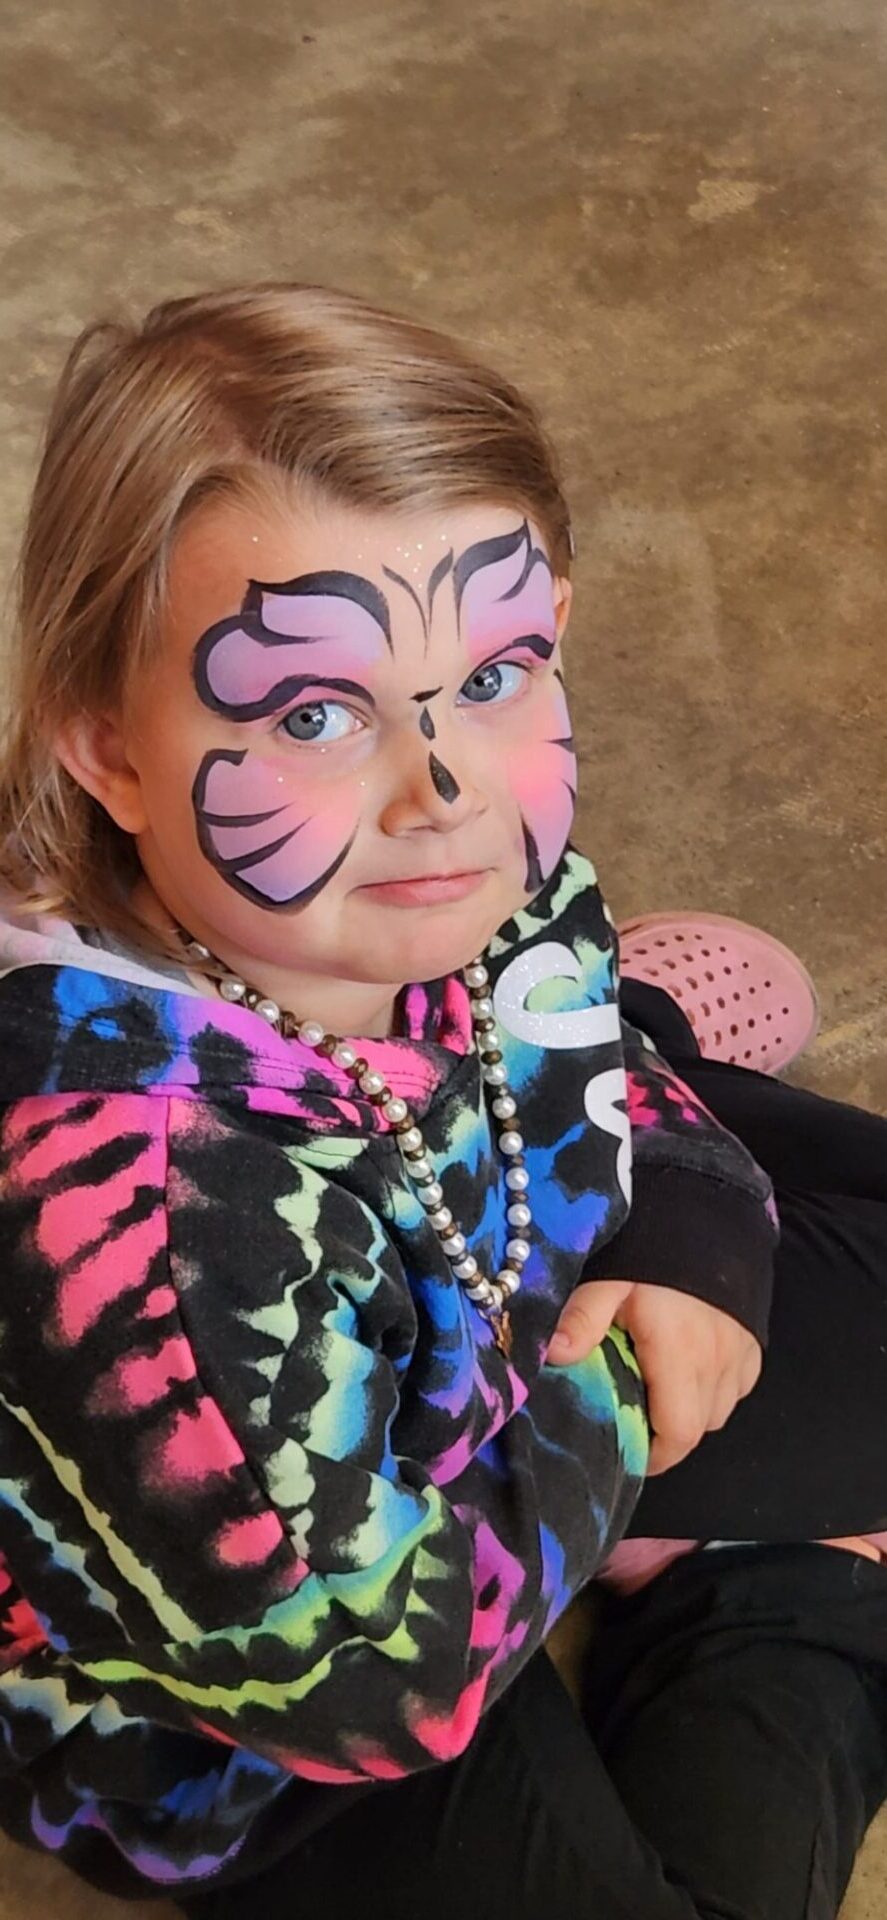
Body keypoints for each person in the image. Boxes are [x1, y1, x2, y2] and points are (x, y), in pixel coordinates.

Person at [0, 283, 883, 1920]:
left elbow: (576, 1039)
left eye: (496, 674)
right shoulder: (128, 1203)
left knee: (603, 1045)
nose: (446, 793)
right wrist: (638, 1385)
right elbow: (363, 1678)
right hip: (275, 1682)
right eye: (314, 713)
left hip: (482, 1266)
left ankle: (667, 1020)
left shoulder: (450, 860)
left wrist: (686, 1214)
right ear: (108, 749)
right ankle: (785, 1582)